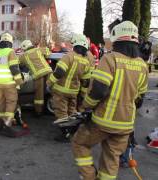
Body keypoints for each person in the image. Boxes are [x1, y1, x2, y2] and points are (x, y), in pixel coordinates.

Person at [71, 21, 148, 180]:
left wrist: (86, 106)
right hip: (126, 125)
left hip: (103, 121)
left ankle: (89, 176)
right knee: (111, 158)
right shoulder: (142, 65)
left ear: (116, 39)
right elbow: (140, 100)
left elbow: (99, 90)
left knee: (80, 143)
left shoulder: (110, 59)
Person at [46, 34, 93, 142]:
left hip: (61, 90)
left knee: (61, 112)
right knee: (72, 112)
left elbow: (59, 72)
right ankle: (73, 131)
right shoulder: (85, 61)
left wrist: (49, 83)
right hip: (74, 92)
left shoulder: (68, 56)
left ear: (75, 44)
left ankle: (65, 134)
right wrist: (83, 94)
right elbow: (86, 81)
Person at [0, 33, 23, 137]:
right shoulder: (10, 52)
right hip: (9, 84)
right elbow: (14, 68)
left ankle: (0, 125)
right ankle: (7, 126)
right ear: (10, 43)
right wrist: (19, 82)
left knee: (1, 104)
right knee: (11, 104)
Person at [19, 40, 52, 116]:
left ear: (24, 47)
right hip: (49, 72)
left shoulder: (23, 55)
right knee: (53, 91)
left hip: (38, 75)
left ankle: (38, 112)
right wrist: (45, 56)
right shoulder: (38, 49)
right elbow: (48, 51)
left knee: (39, 95)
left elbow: (16, 64)